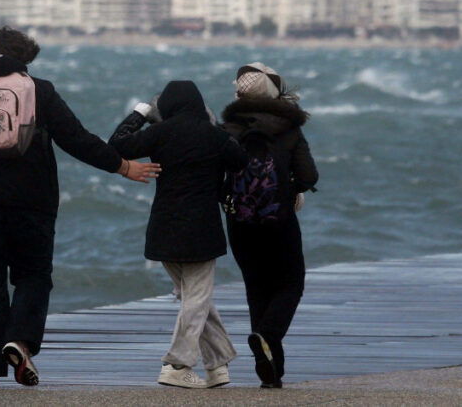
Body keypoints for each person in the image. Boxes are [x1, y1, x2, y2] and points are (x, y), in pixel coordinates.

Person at [0, 27, 160, 389]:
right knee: (33, 277)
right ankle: (20, 340)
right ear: (25, 59)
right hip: (32, 202)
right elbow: (76, 139)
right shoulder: (40, 91)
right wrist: (122, 166)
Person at [108, 81, 247, 390]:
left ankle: (218, 364)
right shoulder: (214, 136)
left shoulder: (160, 133)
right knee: (196, 298)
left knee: (194, 299)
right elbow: (241, 162)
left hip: (164, 229)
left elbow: (117, 144)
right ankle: (177, 364)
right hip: (202, 229)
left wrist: (139, 114)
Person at [220, 62, 319, 388]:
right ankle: (267, 337)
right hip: (280, 220)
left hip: (239, 221)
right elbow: (309, 176)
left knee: (257, 289)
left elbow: (216, 176)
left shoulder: (228, 128)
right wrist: (293, 189)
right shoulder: (289, 128)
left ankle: (271, 373)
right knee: (291, 283)